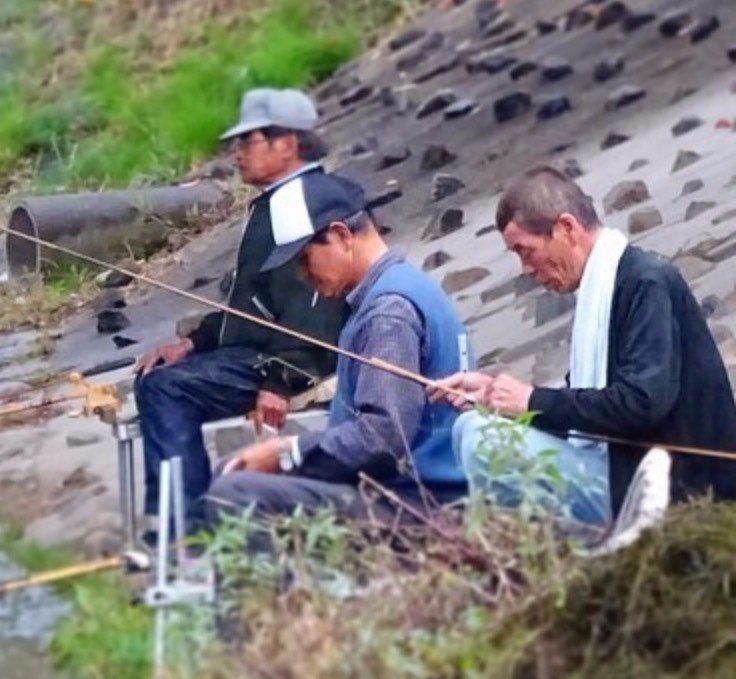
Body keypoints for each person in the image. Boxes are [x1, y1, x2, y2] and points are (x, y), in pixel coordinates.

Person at [431, 166, 736, 540]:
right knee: (467, 427)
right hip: (625, 465)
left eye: (525, 251)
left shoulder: (644, 282)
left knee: (481, 442)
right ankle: (543, 547)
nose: (525, 269)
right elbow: (587, 409)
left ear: (567, 229)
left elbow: (643, 404)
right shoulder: (604, 286)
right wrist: (498, 398)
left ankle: (567, 550)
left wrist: (531, 400)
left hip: (676, 488)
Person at [202, 172, 472, 530]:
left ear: (342, 236)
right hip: (415, 492)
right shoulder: (404, 286)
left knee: (232, 493)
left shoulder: (387, 312)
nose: (302, 275)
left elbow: (382, 437)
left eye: (303, 259)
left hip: (420, 504)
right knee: (234, 475)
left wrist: (287, 453)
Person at [133, 88, 345, 523]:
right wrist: (193, 344)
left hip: (295, 355)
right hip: (264, 348)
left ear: (286, 143)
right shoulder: (279, 201)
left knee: (165, 388)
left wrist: (282, 378)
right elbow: (254, 305)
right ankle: (182, 518)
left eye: (246, 142)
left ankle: (189, 524)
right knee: (157, 374)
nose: (235, 155)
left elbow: (318, 301)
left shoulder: (309, 202)